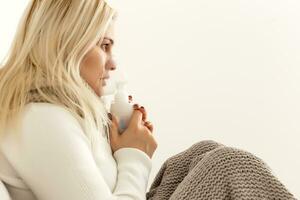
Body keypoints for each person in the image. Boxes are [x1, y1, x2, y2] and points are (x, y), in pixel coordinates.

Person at [0, 0, 157, 199]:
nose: (113, 63)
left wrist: (118, 146)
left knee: (201, 155)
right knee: (208, 162)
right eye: (104, 46)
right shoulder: (41, 118)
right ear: (67, 43)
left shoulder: (59, 115)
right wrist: (135, 156)